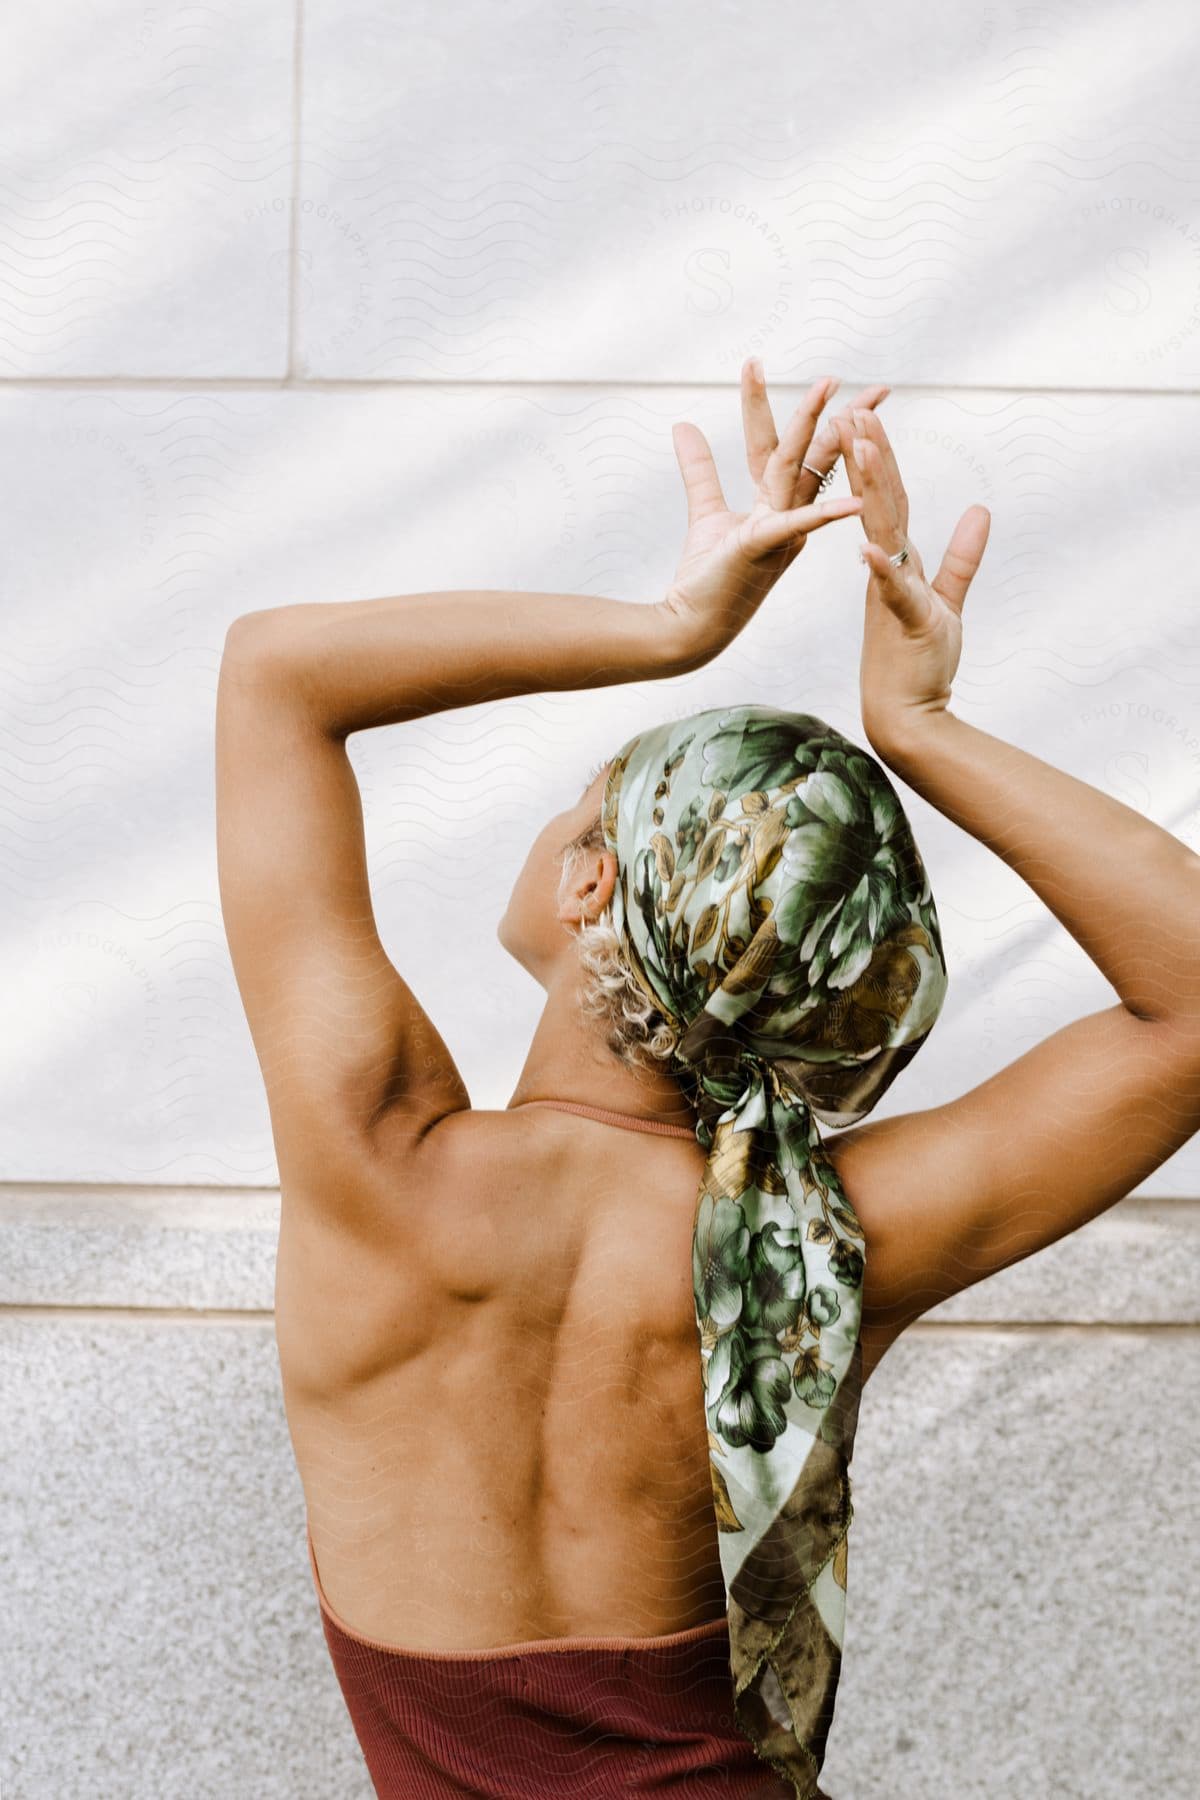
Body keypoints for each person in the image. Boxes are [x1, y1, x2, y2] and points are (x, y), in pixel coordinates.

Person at [215, 364, 1200, 1798]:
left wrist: (672, 628)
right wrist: (920, 725)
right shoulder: (823, 1245)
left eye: (582, 801)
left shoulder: (376, 1158)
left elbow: (275, 675)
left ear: (587, 879)